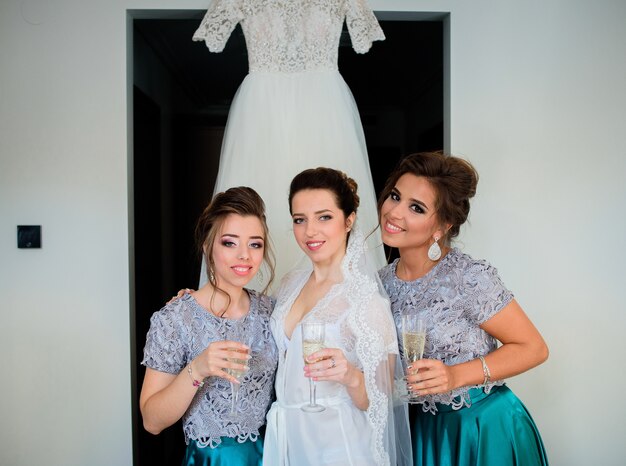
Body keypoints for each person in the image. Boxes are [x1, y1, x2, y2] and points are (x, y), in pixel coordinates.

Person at [192, 0, 387, 289]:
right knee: (256, 207)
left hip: (324, 110)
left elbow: (364, 38)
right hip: (263, 112)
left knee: (326, 202)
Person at [377, 152, 549, 465]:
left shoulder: (468, 277)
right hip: (420, 433)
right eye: (395, 196)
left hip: (483, 428)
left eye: (416, 207)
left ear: (442, 226)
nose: (395, 212)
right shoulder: (379, 284)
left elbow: (533, 348)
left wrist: (456, 375)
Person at [262, 167, 412, 466]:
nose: (310, 231)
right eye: (299, 220)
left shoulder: (366, 300)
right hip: (290, 438)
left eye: (324, 217)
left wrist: (350, 376)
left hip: (339, 445)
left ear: (349, 221)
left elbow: (381, 401)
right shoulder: (290, 283)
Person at [140, 187, 278, 466]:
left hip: (271, 456)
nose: (244, 256)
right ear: (207, 245)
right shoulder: (175, 319)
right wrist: (198, 368)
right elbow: (152, 421)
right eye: (230, 242)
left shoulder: (273, 311)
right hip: (209, 460)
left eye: (255, 244)